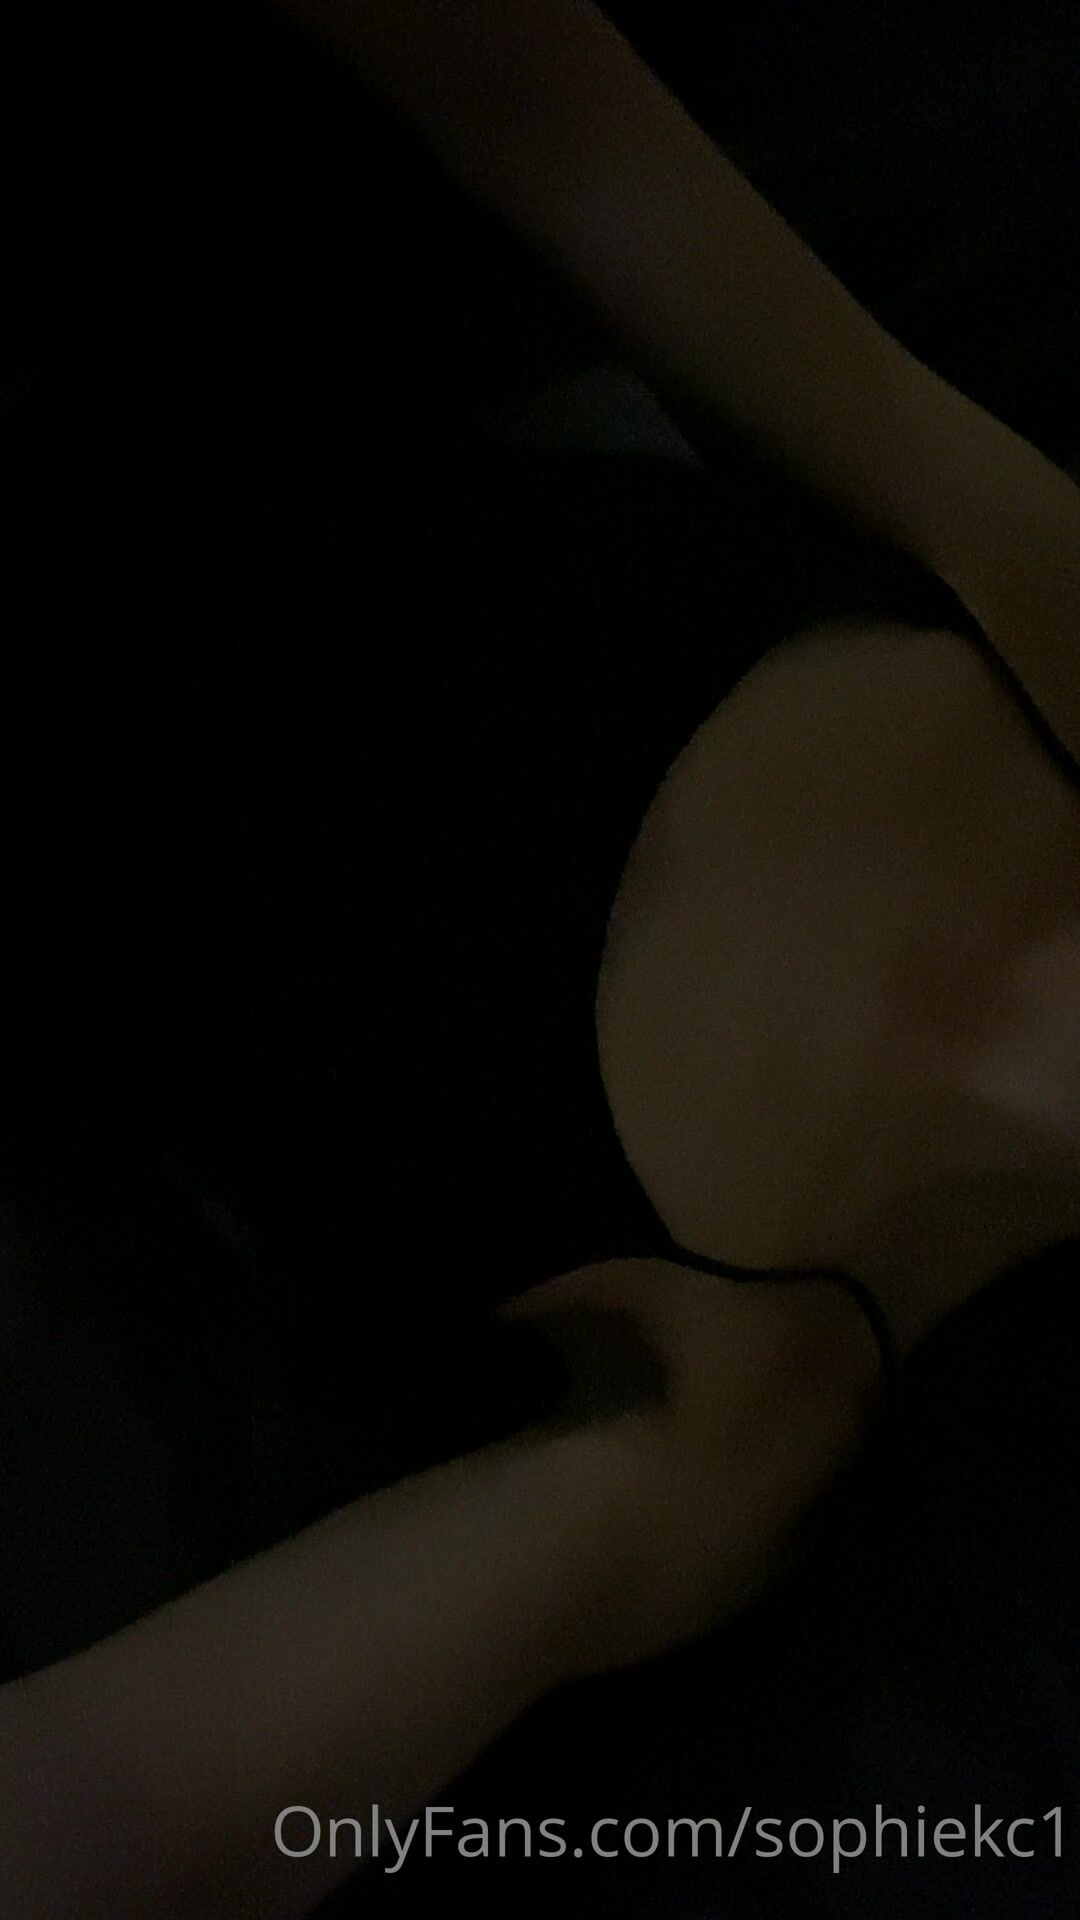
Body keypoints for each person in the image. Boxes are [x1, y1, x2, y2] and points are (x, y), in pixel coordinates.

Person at [1, 3, 1078, 1916]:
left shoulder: (762, 1415)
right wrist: (964, 485)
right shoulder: (1036, 556)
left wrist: (589, 1530)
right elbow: (522, 91)